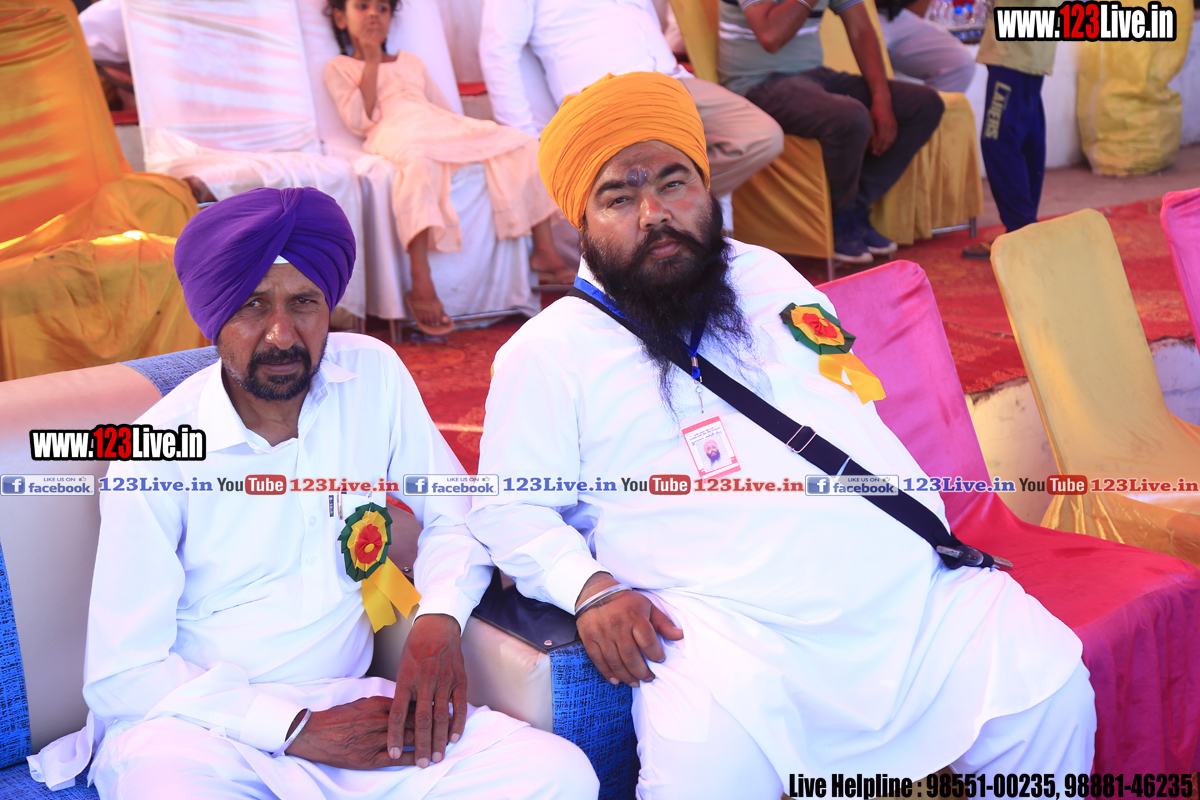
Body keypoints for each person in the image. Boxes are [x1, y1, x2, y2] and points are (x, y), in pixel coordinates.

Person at [467, 71, 1095, 796]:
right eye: (619, 197)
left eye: (674, 183)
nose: (654, 214)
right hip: (734, 640)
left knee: (1049, 691)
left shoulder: (764, 272)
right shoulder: (548, 351)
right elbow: (508, 506)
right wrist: (589, 588)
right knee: (707, 778)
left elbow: (841, 406)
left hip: (911, 597)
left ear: (707, 187)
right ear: (582, 221)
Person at [26, 187, 598, 800]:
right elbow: (124, 673)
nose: (281, 335)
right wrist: (294, 728)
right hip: (195, 730)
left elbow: (453, 514)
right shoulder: (154, 450)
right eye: (252, 304)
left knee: (557, 775)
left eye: (304, 302)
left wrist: (439, 617)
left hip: (353, 704)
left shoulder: (372, 376)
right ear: (212, 318)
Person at [324, 0, 572, 337]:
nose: (373, 14)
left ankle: (544, 250)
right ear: (341, 18)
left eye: (382, 8)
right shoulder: (340, 67)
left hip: (435, 123)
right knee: (419, 161)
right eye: (362, 6)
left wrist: (465, 136)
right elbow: (360, 120)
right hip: (392, 129)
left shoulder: (411, 62)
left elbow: (440, 108)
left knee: (522, 143)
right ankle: (420, 277)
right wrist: (370, 59)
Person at [478, 0, 784, 199]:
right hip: (608, 93)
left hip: (671, 80)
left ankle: (660, 196)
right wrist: (524, 136)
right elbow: (498, 50)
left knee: (761, 136)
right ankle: (660, 199)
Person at [718, 0, 945, 263]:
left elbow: (861, 30)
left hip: (814, 75)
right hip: (757, 83)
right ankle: (840, 218)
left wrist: (882, 100)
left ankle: (854, 207)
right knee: (849, 116)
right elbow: (771, 36)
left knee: (922, 105)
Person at [961, 0, 1057, 259]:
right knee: (1025, 136)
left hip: (1015, 45)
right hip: (1031, 43)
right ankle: (1024, 229)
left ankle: (1021, 231)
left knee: (999, 140)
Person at [876, 0, 976, 92]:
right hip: (867, 14)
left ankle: (927, 105)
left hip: (892, 13)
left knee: (959, 61)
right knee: (874, 79)